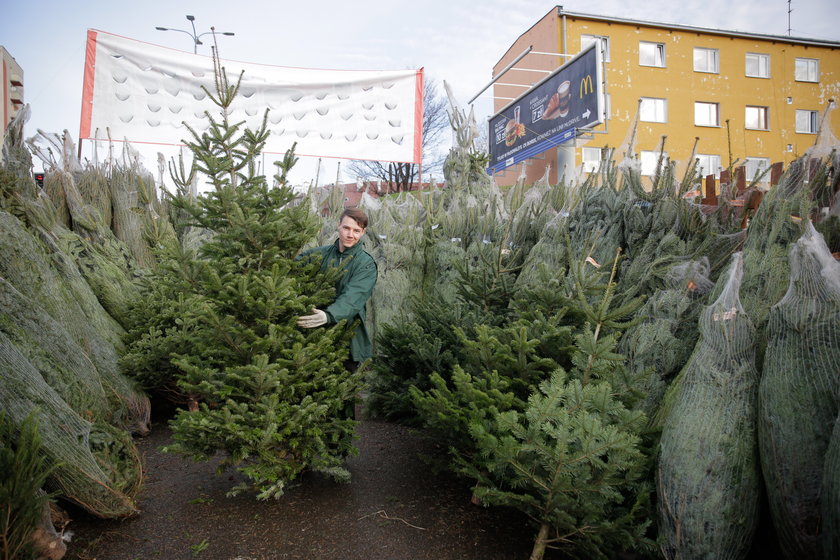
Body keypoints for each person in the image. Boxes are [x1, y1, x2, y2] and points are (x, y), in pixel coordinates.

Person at [296, 208, 378, 373]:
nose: (350, 234)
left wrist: (328, 315)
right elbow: (291, 265)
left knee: (345, 385)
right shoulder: (320, 254)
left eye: (356, 231)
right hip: (314, 333)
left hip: (347, 336)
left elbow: (353, 298)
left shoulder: (366, 264)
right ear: (338, 226)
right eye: (346, 228)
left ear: (363, 232)